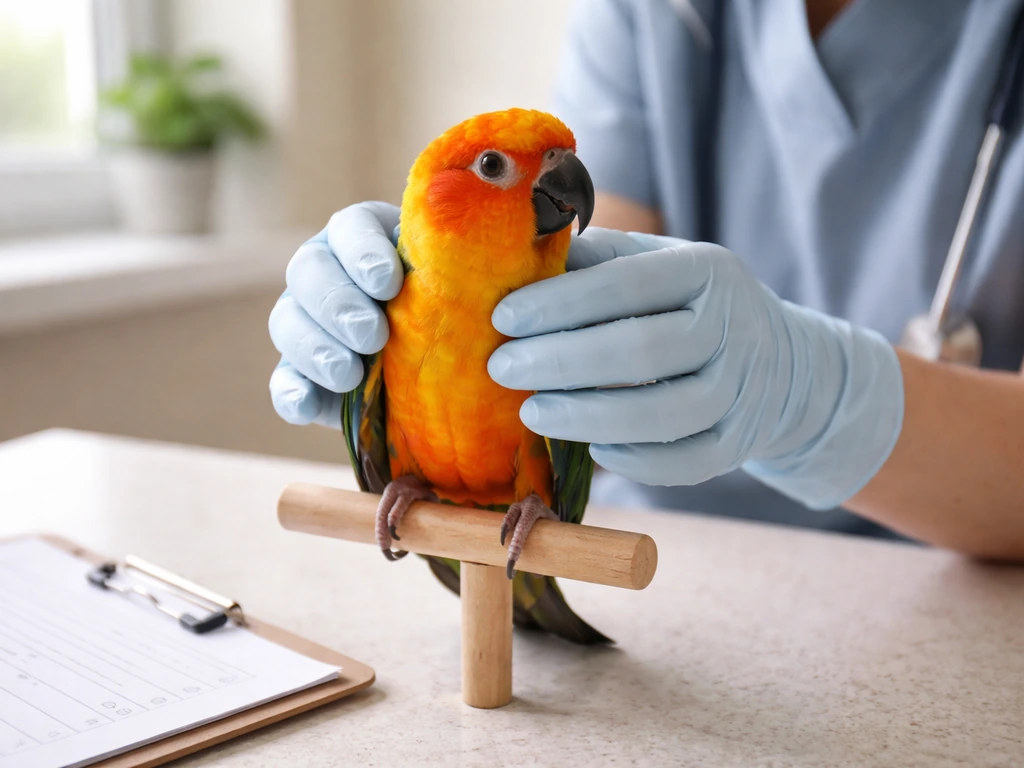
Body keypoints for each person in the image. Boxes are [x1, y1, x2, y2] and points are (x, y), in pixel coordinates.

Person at [268, 0, 1024, 560]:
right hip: (644, 538)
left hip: (936, 578)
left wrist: (813, 396)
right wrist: (423, 304)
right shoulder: (651, 12)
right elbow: (596, 281)